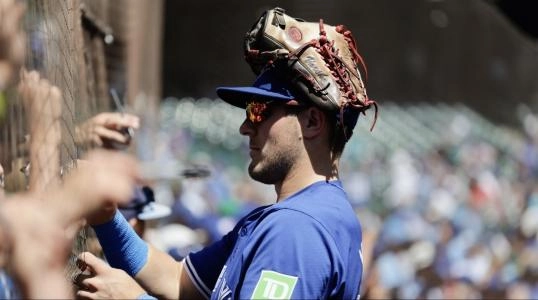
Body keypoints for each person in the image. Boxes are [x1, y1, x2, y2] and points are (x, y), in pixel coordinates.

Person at [78, 57, 374, 300]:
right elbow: (177, 281)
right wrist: (106, 218)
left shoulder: (296, 228)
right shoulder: (314, 213)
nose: (245, 127)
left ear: (311, 122)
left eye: (260, 111)